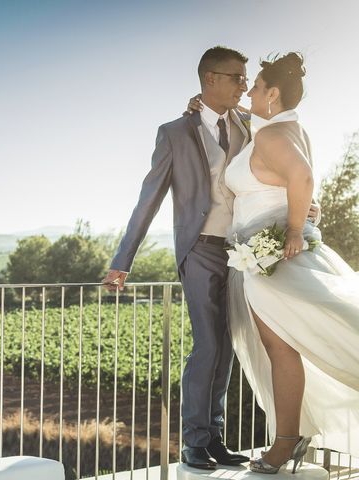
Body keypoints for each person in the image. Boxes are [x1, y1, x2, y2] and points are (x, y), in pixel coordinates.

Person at [103, 46, 319, 470]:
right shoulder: (174, 133)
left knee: (228, 345)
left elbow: (289, 164)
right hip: (200, 247)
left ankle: (215, 439)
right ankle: (194, 443)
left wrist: (304, 208)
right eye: (237, 78)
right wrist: (121, 261)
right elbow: (147, 200)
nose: (244, 85)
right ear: (210, 81)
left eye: (246, 79)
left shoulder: (250, 123)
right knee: (208, 342)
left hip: (247, 250)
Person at [222, 52, 359, 473]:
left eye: (256, 86)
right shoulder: (285, 126)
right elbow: (290, 177)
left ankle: (285, 443)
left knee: (281, 349)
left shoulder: (270, 137)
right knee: (287, 346)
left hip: (275, 259)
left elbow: (301, 177)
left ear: (274, 93)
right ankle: (289, 436)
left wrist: (296, 230)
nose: (248, 91)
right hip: (267, 254)